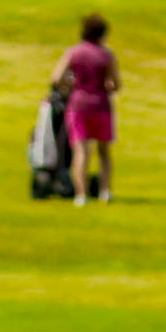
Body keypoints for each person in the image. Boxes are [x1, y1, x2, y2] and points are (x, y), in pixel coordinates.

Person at [53, 13, 119, 204]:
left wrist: (71, 84)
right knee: (104, 152)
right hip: (101, 105)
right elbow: (115, 84)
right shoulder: (106, 55)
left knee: (81, 151)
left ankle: (81, 195)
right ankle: (105, 192)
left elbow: (57, 78)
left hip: (78, 104)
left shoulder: (74, 52)